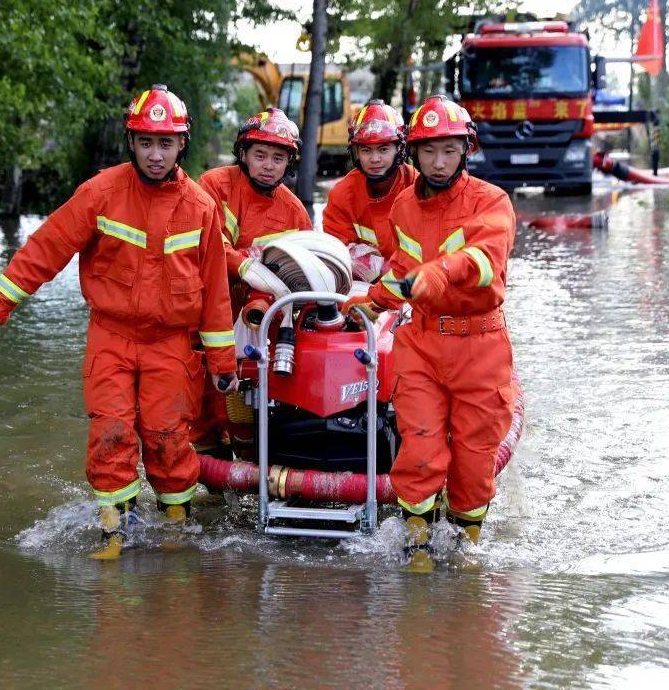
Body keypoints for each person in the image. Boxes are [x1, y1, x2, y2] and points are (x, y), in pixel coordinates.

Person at [0, 84, 238, 560]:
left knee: (169, 437)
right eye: (147, 143)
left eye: (166, 143)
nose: (156, 155)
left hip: (172, 344)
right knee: (110, 432)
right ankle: (115, 533)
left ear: (182, 145)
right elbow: (45, 249)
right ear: (131, 143)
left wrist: (222, 362)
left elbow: (216, 292)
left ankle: (178, 528)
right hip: (111, 336)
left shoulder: (200, 207)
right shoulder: (100, 192)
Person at [341, 95, 517, 553]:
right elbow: (403, 265)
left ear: (466, 151)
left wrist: (438, 273)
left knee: (475, 461)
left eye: (449, 151)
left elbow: (485, 261)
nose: (439, 164)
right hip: (420, 341)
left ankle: (466, 548)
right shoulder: (403, 207)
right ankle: (414, 546)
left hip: (480, 344)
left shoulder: (491, 202)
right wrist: (372, 301)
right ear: (413, 153)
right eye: (430, 152)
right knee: (418, 446)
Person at [189, 107, 312, 454]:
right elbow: (208, 245)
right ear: (243, 154)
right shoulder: (214, 185)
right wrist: (246, 262)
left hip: (261, 323)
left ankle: (246, 470)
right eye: (260, 155)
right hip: (210, 310)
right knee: (202, 401)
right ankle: (209, 487)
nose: (268, 165)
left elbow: (306, 268)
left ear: (289, 163)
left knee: (251, 402)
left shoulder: (295, 211)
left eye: (278, 157)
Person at [322, 99, 417, 281]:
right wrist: (383, 268)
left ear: (399, 148)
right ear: (356, 152)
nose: (375, 159)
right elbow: (337, 255)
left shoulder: (418, 187)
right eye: (366, 150)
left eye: (383, 149)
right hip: (362, 285)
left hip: (413, 286)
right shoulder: (342, 195)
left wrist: (371, 262)